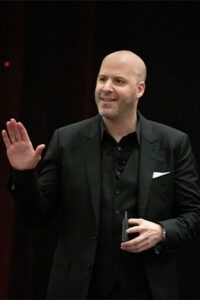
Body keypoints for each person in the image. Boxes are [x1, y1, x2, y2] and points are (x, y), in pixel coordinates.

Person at [2, 50, 200, 299]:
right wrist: (24, 174)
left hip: (147, 289)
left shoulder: (173, 143)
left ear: (139, 89)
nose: (106, 88)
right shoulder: (67, 139)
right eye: (102, 79)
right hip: (78, 288)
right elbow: (37, 216)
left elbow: (194, 215)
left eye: (118, 81)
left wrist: (162, 231)